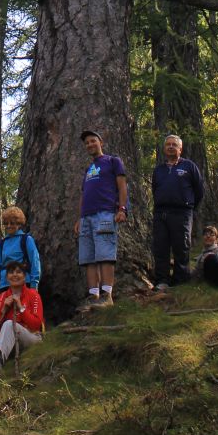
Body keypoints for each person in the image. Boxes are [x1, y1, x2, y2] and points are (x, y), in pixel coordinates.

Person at [75, 129, 128, 311]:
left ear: (100, 142)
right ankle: (93, 295)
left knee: (105, 253)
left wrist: (122, 209)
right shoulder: (89, 169)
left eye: (92, 141)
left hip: (105, 213)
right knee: (88, 257)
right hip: (87, 217)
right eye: (87, 143)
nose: (90, 144)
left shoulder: (113, 161)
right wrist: (80, 218)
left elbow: (122, 186)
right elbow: (84, 194)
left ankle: (107, 295)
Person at [151, 133, 204, 290]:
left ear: (180, 149)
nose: (171, 147)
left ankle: (181, 280)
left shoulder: (189, 166)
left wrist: (189, 207)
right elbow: (155, 189)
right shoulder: (158, 170)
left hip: (182, 213)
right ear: (164, 148)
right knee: (161, 247)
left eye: (174, 144)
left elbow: (199, 190)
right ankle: (162, 280)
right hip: (161, 213)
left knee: (181, 247)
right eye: (168, 144)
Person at [0, 207, 41, 292]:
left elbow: (35, 261)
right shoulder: (2, 243)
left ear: (19, 224)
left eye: (12, 223)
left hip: (24, 284)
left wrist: (34, 284)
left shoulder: (26, 239)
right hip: (4, 285)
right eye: (6, 223)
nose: (9, 226)